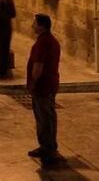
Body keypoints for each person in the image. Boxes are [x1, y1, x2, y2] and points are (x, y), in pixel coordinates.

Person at [26, 13, 63, 168]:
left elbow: (38, 66)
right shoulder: (51, 41)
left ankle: (47, 147)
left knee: (44, 117)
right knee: (48, 115)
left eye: (34, 23)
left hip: (43, 85)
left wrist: (33, 83)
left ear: (41, 26)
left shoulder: (43, 43)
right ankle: (49, 145)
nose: (32, 26)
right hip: (50, 83)